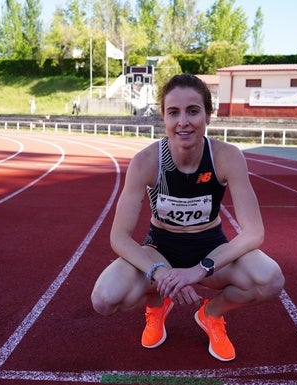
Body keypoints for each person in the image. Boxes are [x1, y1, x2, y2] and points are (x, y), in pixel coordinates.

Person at [91, 74, 285, 362]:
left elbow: (254, 233)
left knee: (270, 280)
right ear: (164, 118)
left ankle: (211, 314)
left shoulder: (226, 157)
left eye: (193, 111)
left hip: (210, 250)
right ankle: (157, 305)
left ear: (208, 114)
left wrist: (198, 270)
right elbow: (119, 237)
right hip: (159, 250)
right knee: (104, 299)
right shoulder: (146, 162)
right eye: (173, 112)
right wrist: (161, 274)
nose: (183, 121)